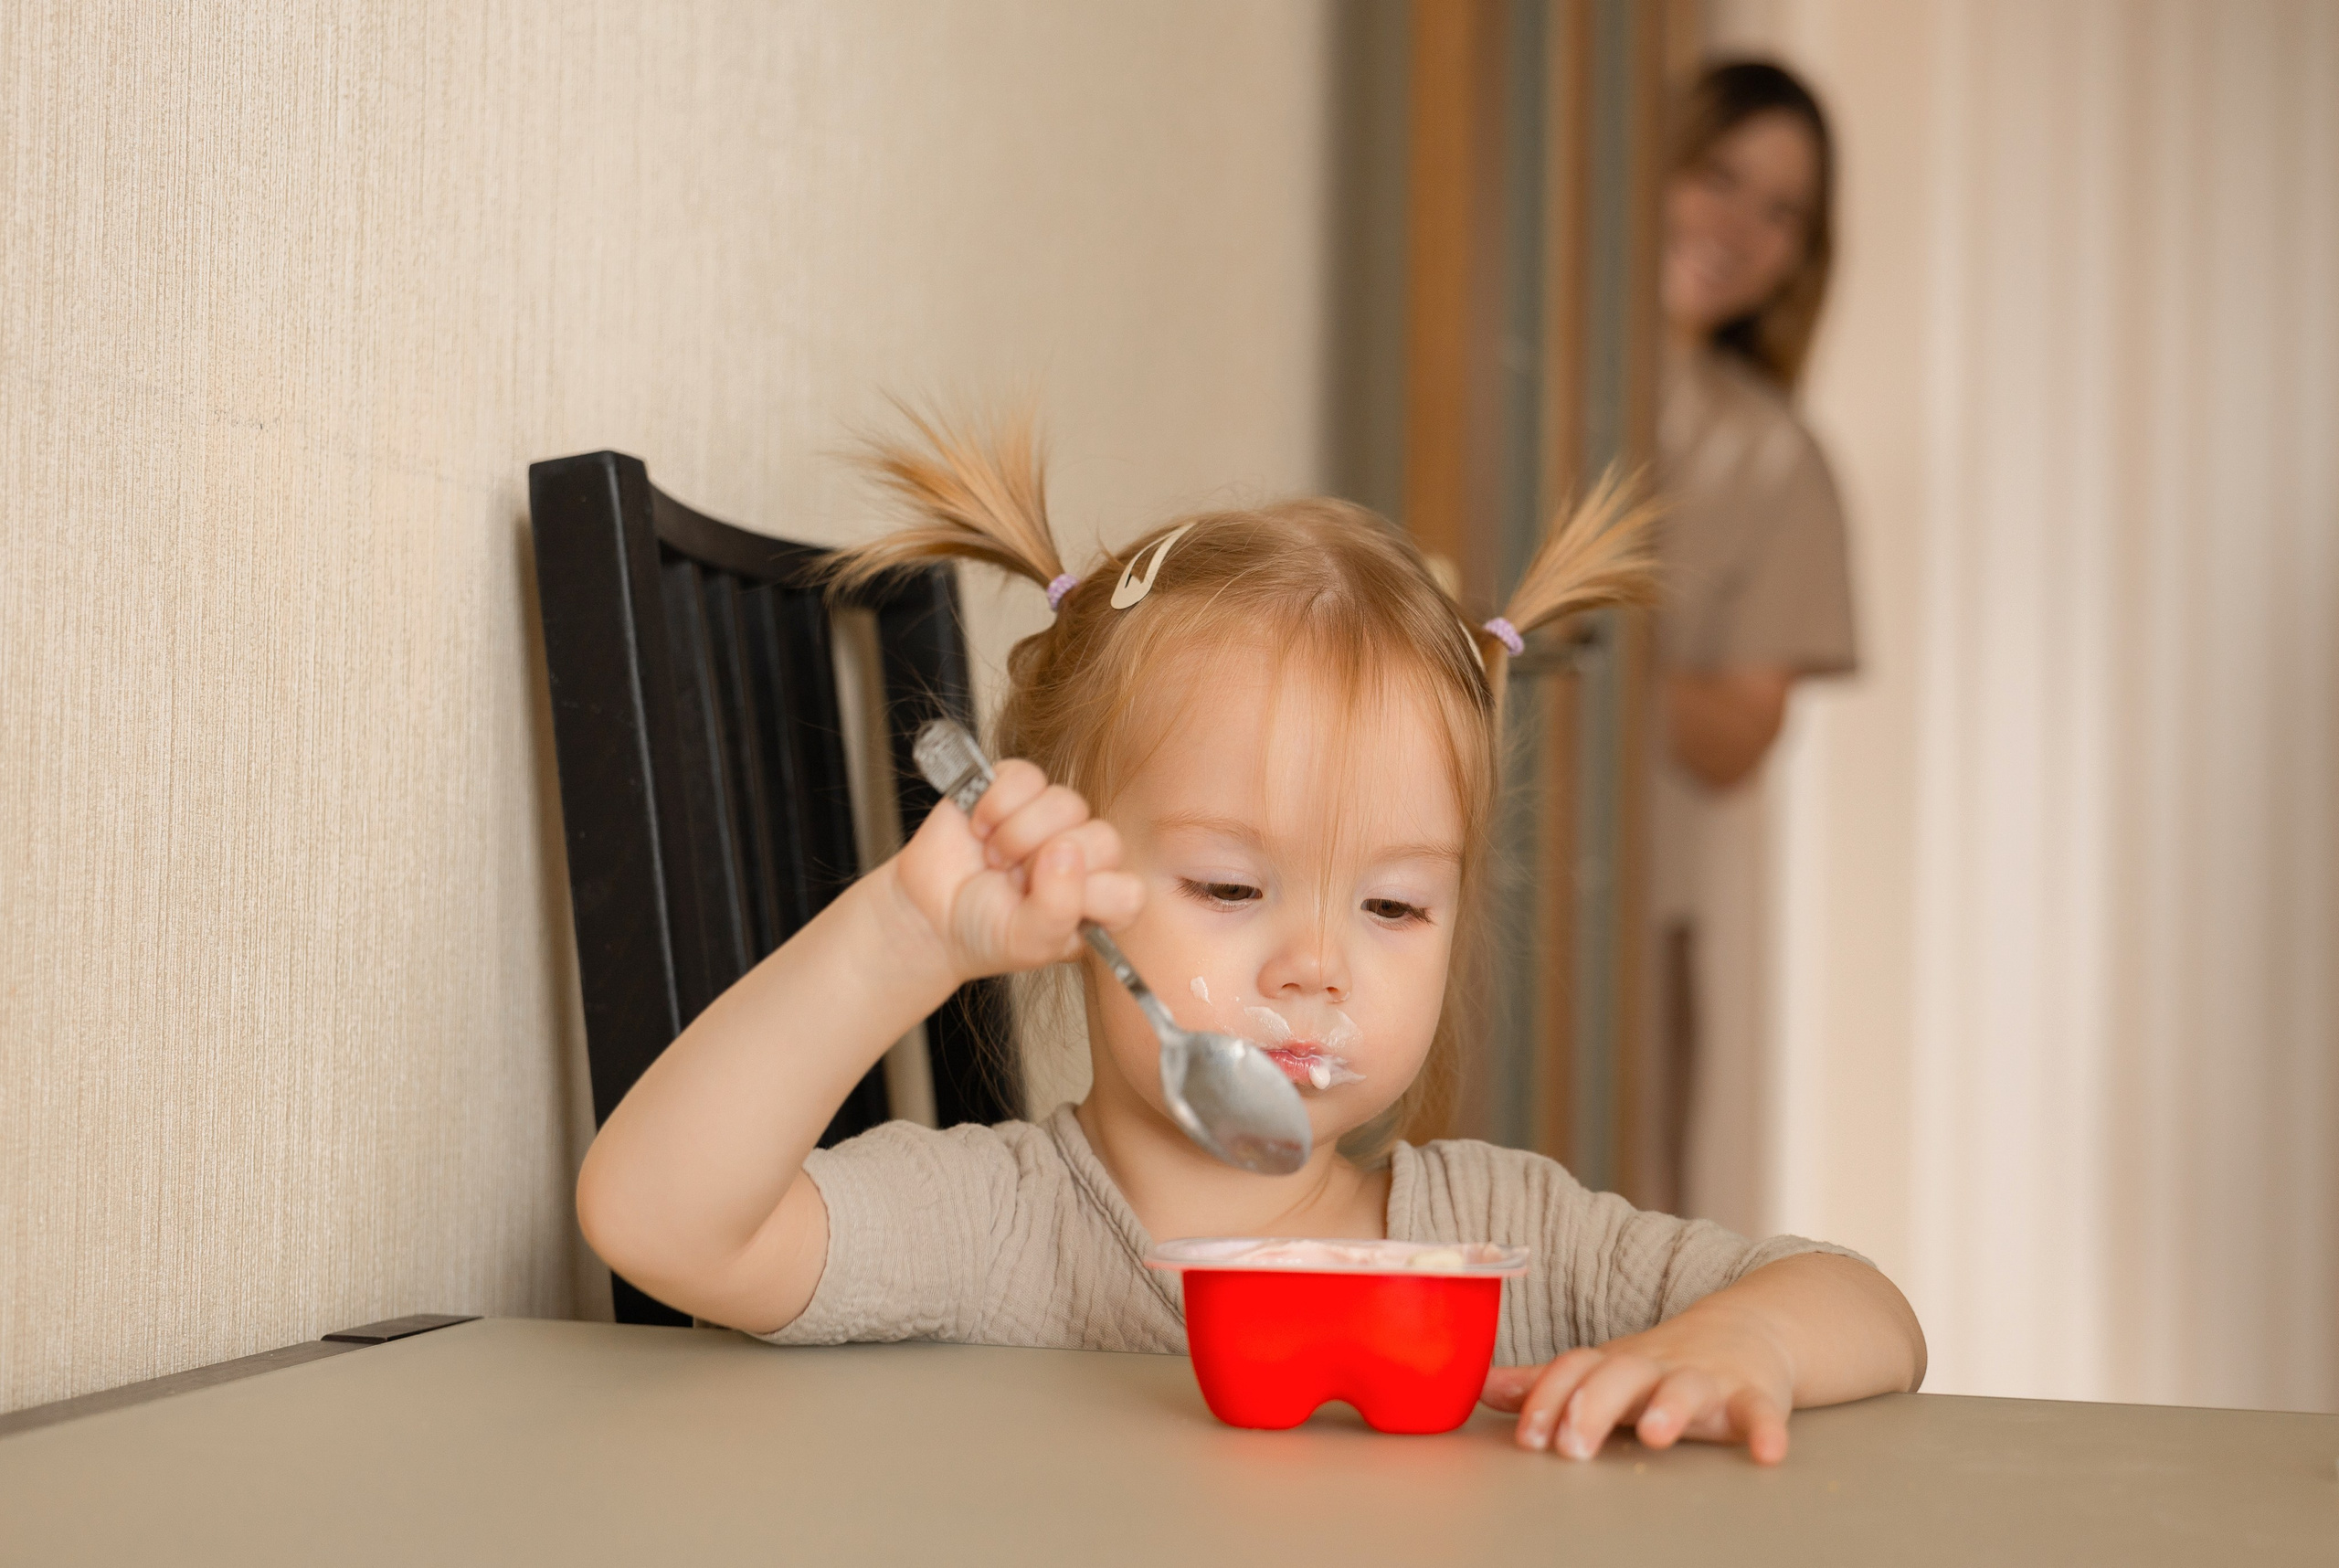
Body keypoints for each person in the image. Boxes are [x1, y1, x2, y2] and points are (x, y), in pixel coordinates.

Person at [575, 412, 1922, 1464]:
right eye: (1231, 889)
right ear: (1074, 874)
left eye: (1393, 906)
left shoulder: (1486, 1241)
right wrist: (902, 943)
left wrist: (1744, 1345)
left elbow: (1863, 1307)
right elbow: (659, 1223)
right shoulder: (995, 1228)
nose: (1319, 969)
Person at [1654, 60, 1857, 1229]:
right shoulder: (1504, 376)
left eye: (1782, 210)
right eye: (1720, 177)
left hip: (1627, 920)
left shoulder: (1772, 459)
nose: (1740, 228)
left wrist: (1592, 645)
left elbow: (1737, 737)